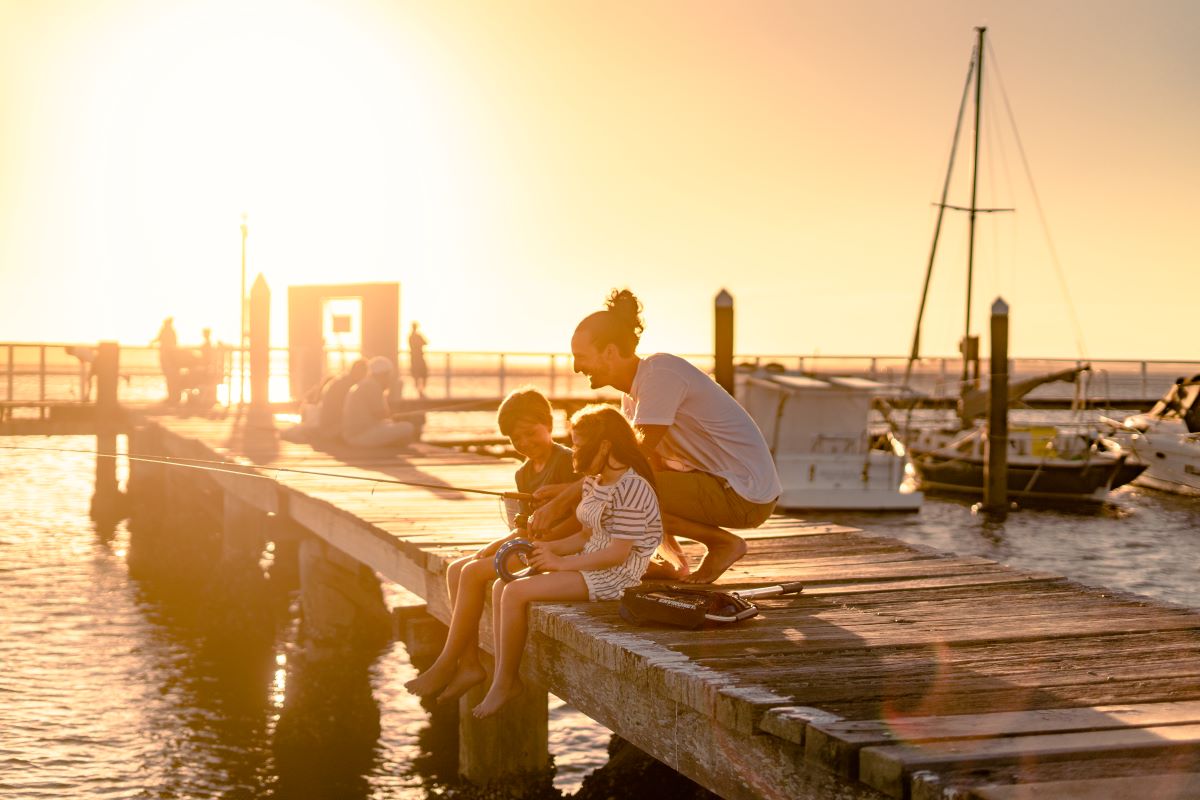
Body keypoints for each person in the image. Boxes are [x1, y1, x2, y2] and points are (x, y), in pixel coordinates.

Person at [406, 404, 662, 719]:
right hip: (587, 562)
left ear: (606, 445)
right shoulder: (596, 481)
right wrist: (545, 549)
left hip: (615, 576)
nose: (575, 451)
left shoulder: (633, 487)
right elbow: (584, 536)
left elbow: (618, 553)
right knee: (503, 585)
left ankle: (506, 682)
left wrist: (560, 563)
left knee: (513, 592)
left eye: (580, 444)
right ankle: (500, 677)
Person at [532, 289, 780, 584]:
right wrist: (568, 489)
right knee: (634, 482)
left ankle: (722, 543)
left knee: (629, 489)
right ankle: (670, 562)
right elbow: (642, 466)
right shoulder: (633, 398)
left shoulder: (661, 374)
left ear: (610, 351)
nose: (576, 367)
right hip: (721, 485)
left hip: (744, 493)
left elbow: (630, 461)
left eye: (581, 356)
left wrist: (563, 500)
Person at [403, 387, 580, 705]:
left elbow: (585, 519)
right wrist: (495, 544)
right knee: (458, 568)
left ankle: (446, 662)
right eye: (516, 438)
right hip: (530, 545)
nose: (524, 443)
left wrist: (543, 537)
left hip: (560, 551)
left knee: (472, 574)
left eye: (531, 433)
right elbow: (523, 527)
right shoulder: (523, 473)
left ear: (548, 425)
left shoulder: (568, 463)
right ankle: (469, 664)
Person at [341, 356, 418, 448]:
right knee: (407, 427)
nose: (390, 379)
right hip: (360, 437)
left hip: (353, 435)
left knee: (390, 424)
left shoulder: (364, 384)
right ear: (384, 374)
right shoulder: (373, 386)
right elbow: (379, 414)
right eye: (389, 375)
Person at [318, 359, 369, 439]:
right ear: (360, 371)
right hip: (334, 428)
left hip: (328, 426)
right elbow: (350, 410)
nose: (366, 377)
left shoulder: (342, 380)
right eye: (365, 373)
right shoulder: (348, 385)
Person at [151, 317, 180, 405]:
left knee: (169, 377)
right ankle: (173, 397)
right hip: (172, 358)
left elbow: (158, 338)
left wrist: (151, 343)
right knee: (172, 378)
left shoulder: (165, 330)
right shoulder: (172, 331)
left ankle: (172, 397)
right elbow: (175, 343)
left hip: (167, 357)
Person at [408, 322, 429, 399]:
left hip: (414, 358)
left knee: (417, 375)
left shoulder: (410, 336)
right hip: (418, 358)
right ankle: (420, 392)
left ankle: (420, 392)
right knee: (422, 375)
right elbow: (425, 342)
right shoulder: (416, 336)